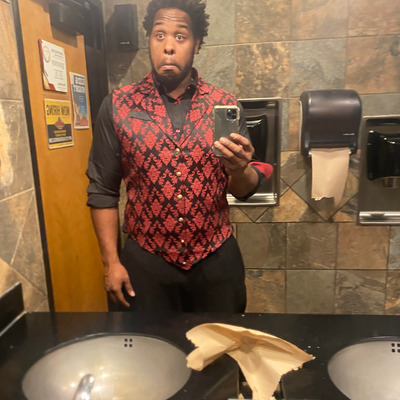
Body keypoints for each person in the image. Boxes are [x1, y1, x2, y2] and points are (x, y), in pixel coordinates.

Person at [86, 0, 272, 313]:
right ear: (149, 40)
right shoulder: (118, 105)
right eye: (159, 35)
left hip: (215, 261)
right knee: (149, 345)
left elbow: (243, 190)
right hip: (145, 263)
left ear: (196, 44)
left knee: (220, 342)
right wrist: (111, 263)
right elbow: (102, 190)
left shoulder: (224, 104)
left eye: (180, 36)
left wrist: (241, 170)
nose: (168, 46)